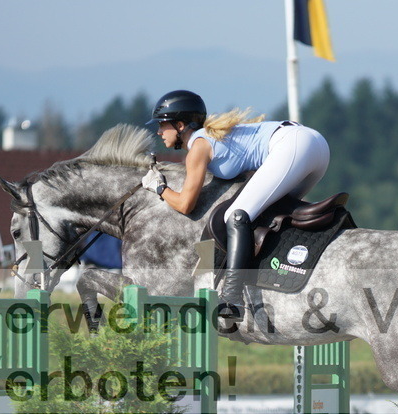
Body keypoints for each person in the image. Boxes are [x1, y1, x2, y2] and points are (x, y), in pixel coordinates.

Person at [141, 89, 330, 320]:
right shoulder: (212, 137)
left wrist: (159, 188)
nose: (159, 131)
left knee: (237, 215)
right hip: (316, 146)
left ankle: (232, 299)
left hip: (295, 146)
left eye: (162, 125)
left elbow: (185, 205)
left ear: (180, 125)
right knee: (272, 215)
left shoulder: (199, 147)